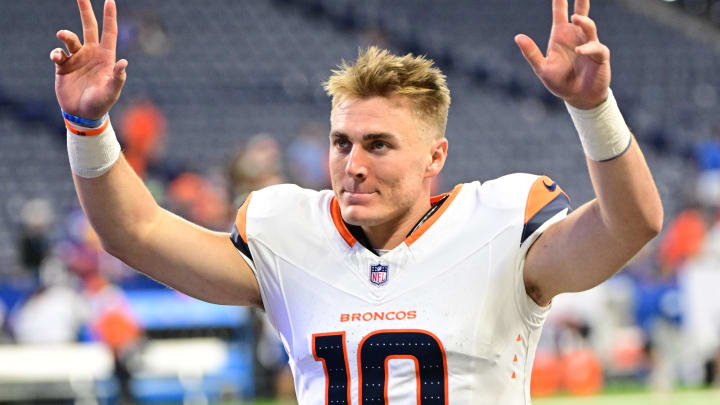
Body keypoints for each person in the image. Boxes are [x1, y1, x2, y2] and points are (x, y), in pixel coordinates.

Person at [50, 0, 662, 403]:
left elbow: (631, 223)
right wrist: (87, 128)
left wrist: (593, 110)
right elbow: (133, 231)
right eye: (342, 143)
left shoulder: (499, 224)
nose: (354, 165)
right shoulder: (289, 233)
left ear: (435, 157)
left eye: (379, 144)